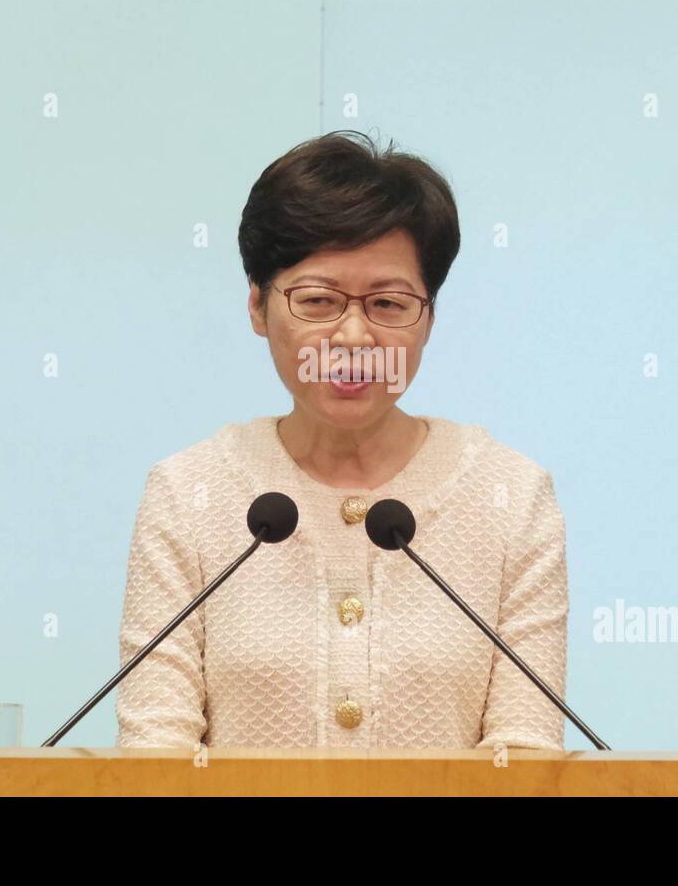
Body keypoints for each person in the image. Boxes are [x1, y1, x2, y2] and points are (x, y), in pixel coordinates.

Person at [116, 130, 568, 749]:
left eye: (387, 303)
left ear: (429, 317)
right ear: (257, 305)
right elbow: (154, 755)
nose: (353, 337)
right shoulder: (188, 494)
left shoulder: (511, 498)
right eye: (319, 300)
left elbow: (524, 760)